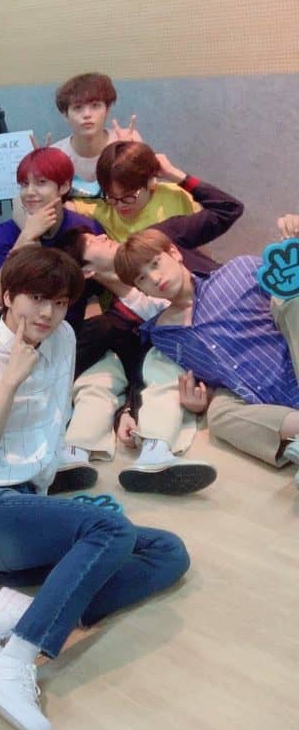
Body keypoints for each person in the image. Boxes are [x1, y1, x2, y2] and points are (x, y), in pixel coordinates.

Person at [0, 245, 190, 730]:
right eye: (36, 298)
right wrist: (9, 381)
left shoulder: (64, 338)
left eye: (58, 302)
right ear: (7, 297)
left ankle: (23, 612)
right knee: (109, 530)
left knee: (167, 551)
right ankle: (14, 661)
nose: (48, 313)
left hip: (28, 512)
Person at [51, 164, 243, 494]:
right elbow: (136, 370)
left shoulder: (158, 243)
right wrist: (128, 411)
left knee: (158, 361)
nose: (103, 236)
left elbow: (229, 209)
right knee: (106, 373)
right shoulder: (115, 320)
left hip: (224, 331)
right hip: (181, 363)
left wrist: (175, 175)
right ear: (86, 271)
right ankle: (83, 454)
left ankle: (152, 448)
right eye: (93, 241)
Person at [114, 226, 299, 485]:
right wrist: (200, 402)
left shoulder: (239, 271)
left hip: (291, 362)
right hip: (262, 404)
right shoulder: (162, 335)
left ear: (174, 253)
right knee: (218, 414)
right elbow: (151, 379)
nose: (154, 278)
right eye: (142, 279)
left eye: (155, 264)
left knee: (292, 303)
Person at [0, 146, 103, 331]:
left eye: (41, 182)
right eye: (24, 184)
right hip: (18, 329)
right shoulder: (7, 231)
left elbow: (97, 291)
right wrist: (26, 236)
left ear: (64, 186)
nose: (29, 192)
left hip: (69, 328)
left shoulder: (84, 229)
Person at [76, 142, 201, 242]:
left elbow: (213, 209)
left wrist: (175, 174)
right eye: (112, 197)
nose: (120, 205)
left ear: (151, 181)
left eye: (128, 196)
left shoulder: (176, 196)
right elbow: (69, 191)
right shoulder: (102, 206)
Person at [50, 71, 141, 197]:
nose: (87, 114)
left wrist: (128, 156)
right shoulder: (56, 154)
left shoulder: (128, 140)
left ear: (107, 110)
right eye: (77, 107)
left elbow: (147, 191)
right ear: (65, 115)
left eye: (95, 105)